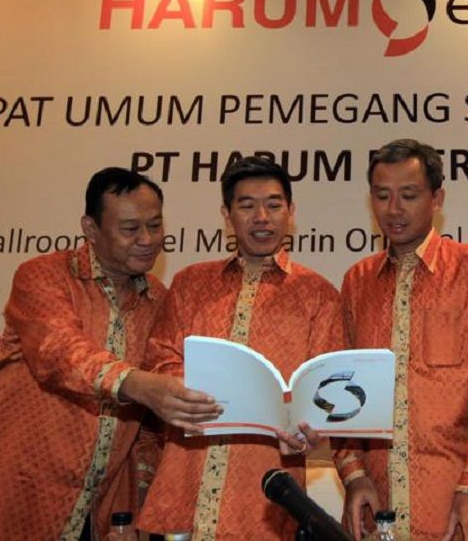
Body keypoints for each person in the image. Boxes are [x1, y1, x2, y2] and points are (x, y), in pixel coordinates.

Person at [0, 167, 220, 540]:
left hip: (101, 509)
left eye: (155, 226)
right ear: (90, 228)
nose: (147, 239)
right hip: (19, 489)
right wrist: (139, 384)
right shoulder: (43, 276)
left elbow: (149, 429)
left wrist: (135, 508)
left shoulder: (159, 300)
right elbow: (59, 352)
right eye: (130, 229)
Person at [138, 156, 344, 540]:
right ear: (227, 215)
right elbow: (160, 359)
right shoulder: (190, 283)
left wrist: (308, 424)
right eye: (247, 206)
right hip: (184, 486)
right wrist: (196, 392)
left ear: (291, 212)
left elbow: (323, 391)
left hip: (264, 497)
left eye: (273, 205)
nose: (261, 217)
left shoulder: (319, 295)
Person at [335, 139, 468, 541]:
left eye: (408, 195)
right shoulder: (357, 283)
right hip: (376, 513)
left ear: (437, 199)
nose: (393, 209)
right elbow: (342, 394)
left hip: (455, 513)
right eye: (382, 196)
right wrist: (353, 474)